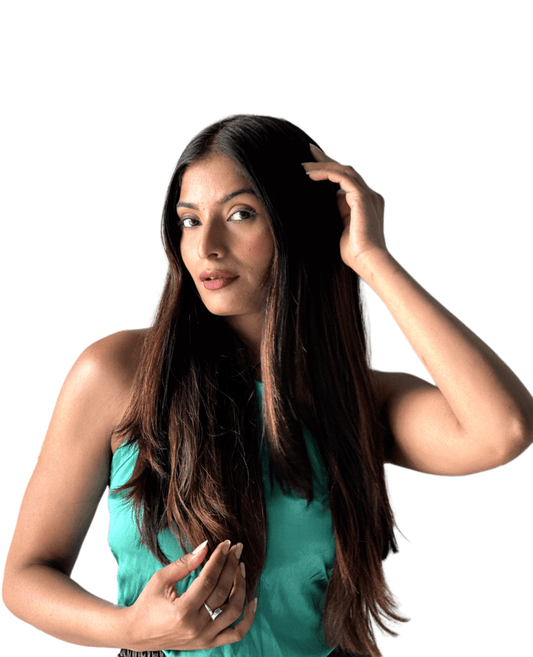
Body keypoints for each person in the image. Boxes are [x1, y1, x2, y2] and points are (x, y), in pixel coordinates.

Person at [3, 114, 532, 657]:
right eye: (189, 220)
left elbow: (504, 429)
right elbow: (25, 576)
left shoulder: (357, 401)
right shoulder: (118, 373)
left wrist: (371, 258)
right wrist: (131, 630)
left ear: (295, 223)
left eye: (241, 214)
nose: (207, 246)